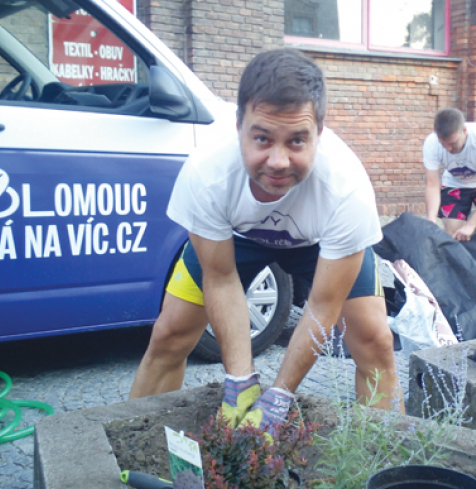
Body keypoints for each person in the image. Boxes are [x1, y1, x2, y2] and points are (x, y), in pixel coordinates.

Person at [129, 48, 400, 430]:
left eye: (296, 141)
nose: (277, 161)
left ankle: (382, 468)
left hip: (319, 242)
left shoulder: (347, 188)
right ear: (239, 125)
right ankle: (138, 442)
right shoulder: (207, 172)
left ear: (319, 134)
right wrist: (240, 380)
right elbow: (221, 279)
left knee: (375, 341)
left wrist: (280, 395)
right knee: (169, 334)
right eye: (262, 139)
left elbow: (323, 307)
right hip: (238, 236)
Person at [423, 108, 476, 242]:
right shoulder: (431, 143)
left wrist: (471, 225)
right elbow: (432, 184)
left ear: (464, 131)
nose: (448, 149)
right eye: (443, 144)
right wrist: (431, 219)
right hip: (455, 182)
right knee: (453, 231)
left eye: (452, 143)